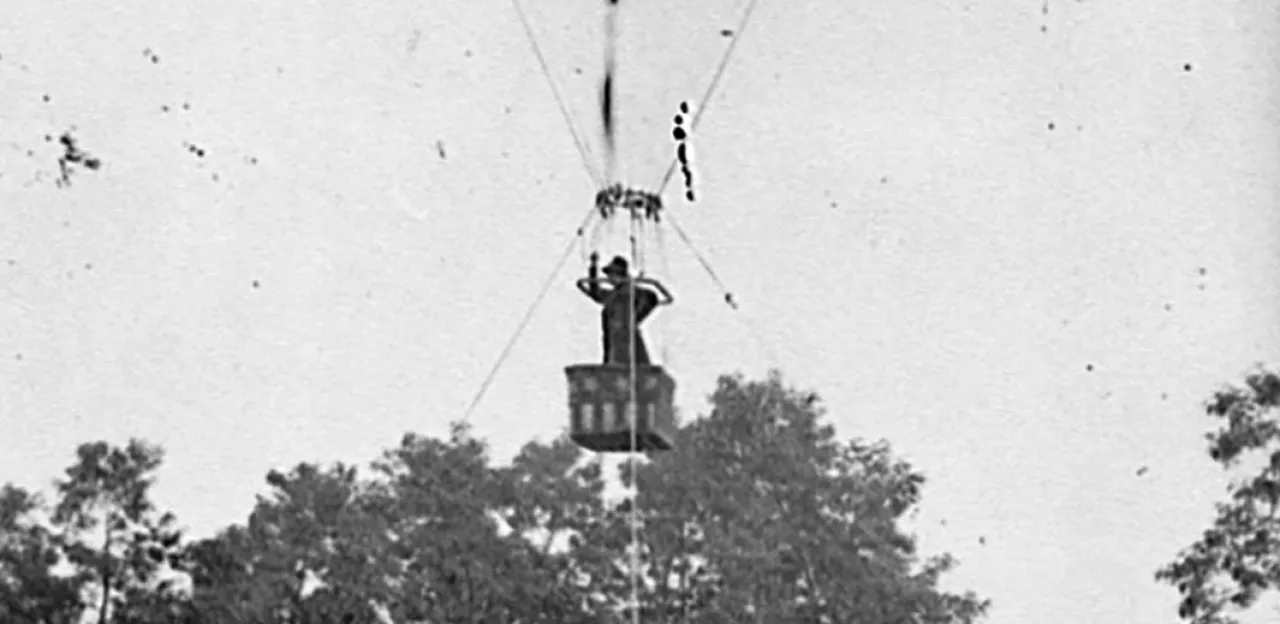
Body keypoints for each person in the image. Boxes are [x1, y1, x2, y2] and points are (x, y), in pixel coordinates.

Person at [576, 253, 673, 366]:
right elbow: (596, 293)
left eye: (611, 274)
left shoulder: (633, 292)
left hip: (626, 335)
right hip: (612, 337)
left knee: (631, 356)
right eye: (608, 275)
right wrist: (593, 268)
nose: (609, 278)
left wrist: (636, 315)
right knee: (614, 357)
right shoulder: (613, 295)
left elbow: (650, 299)